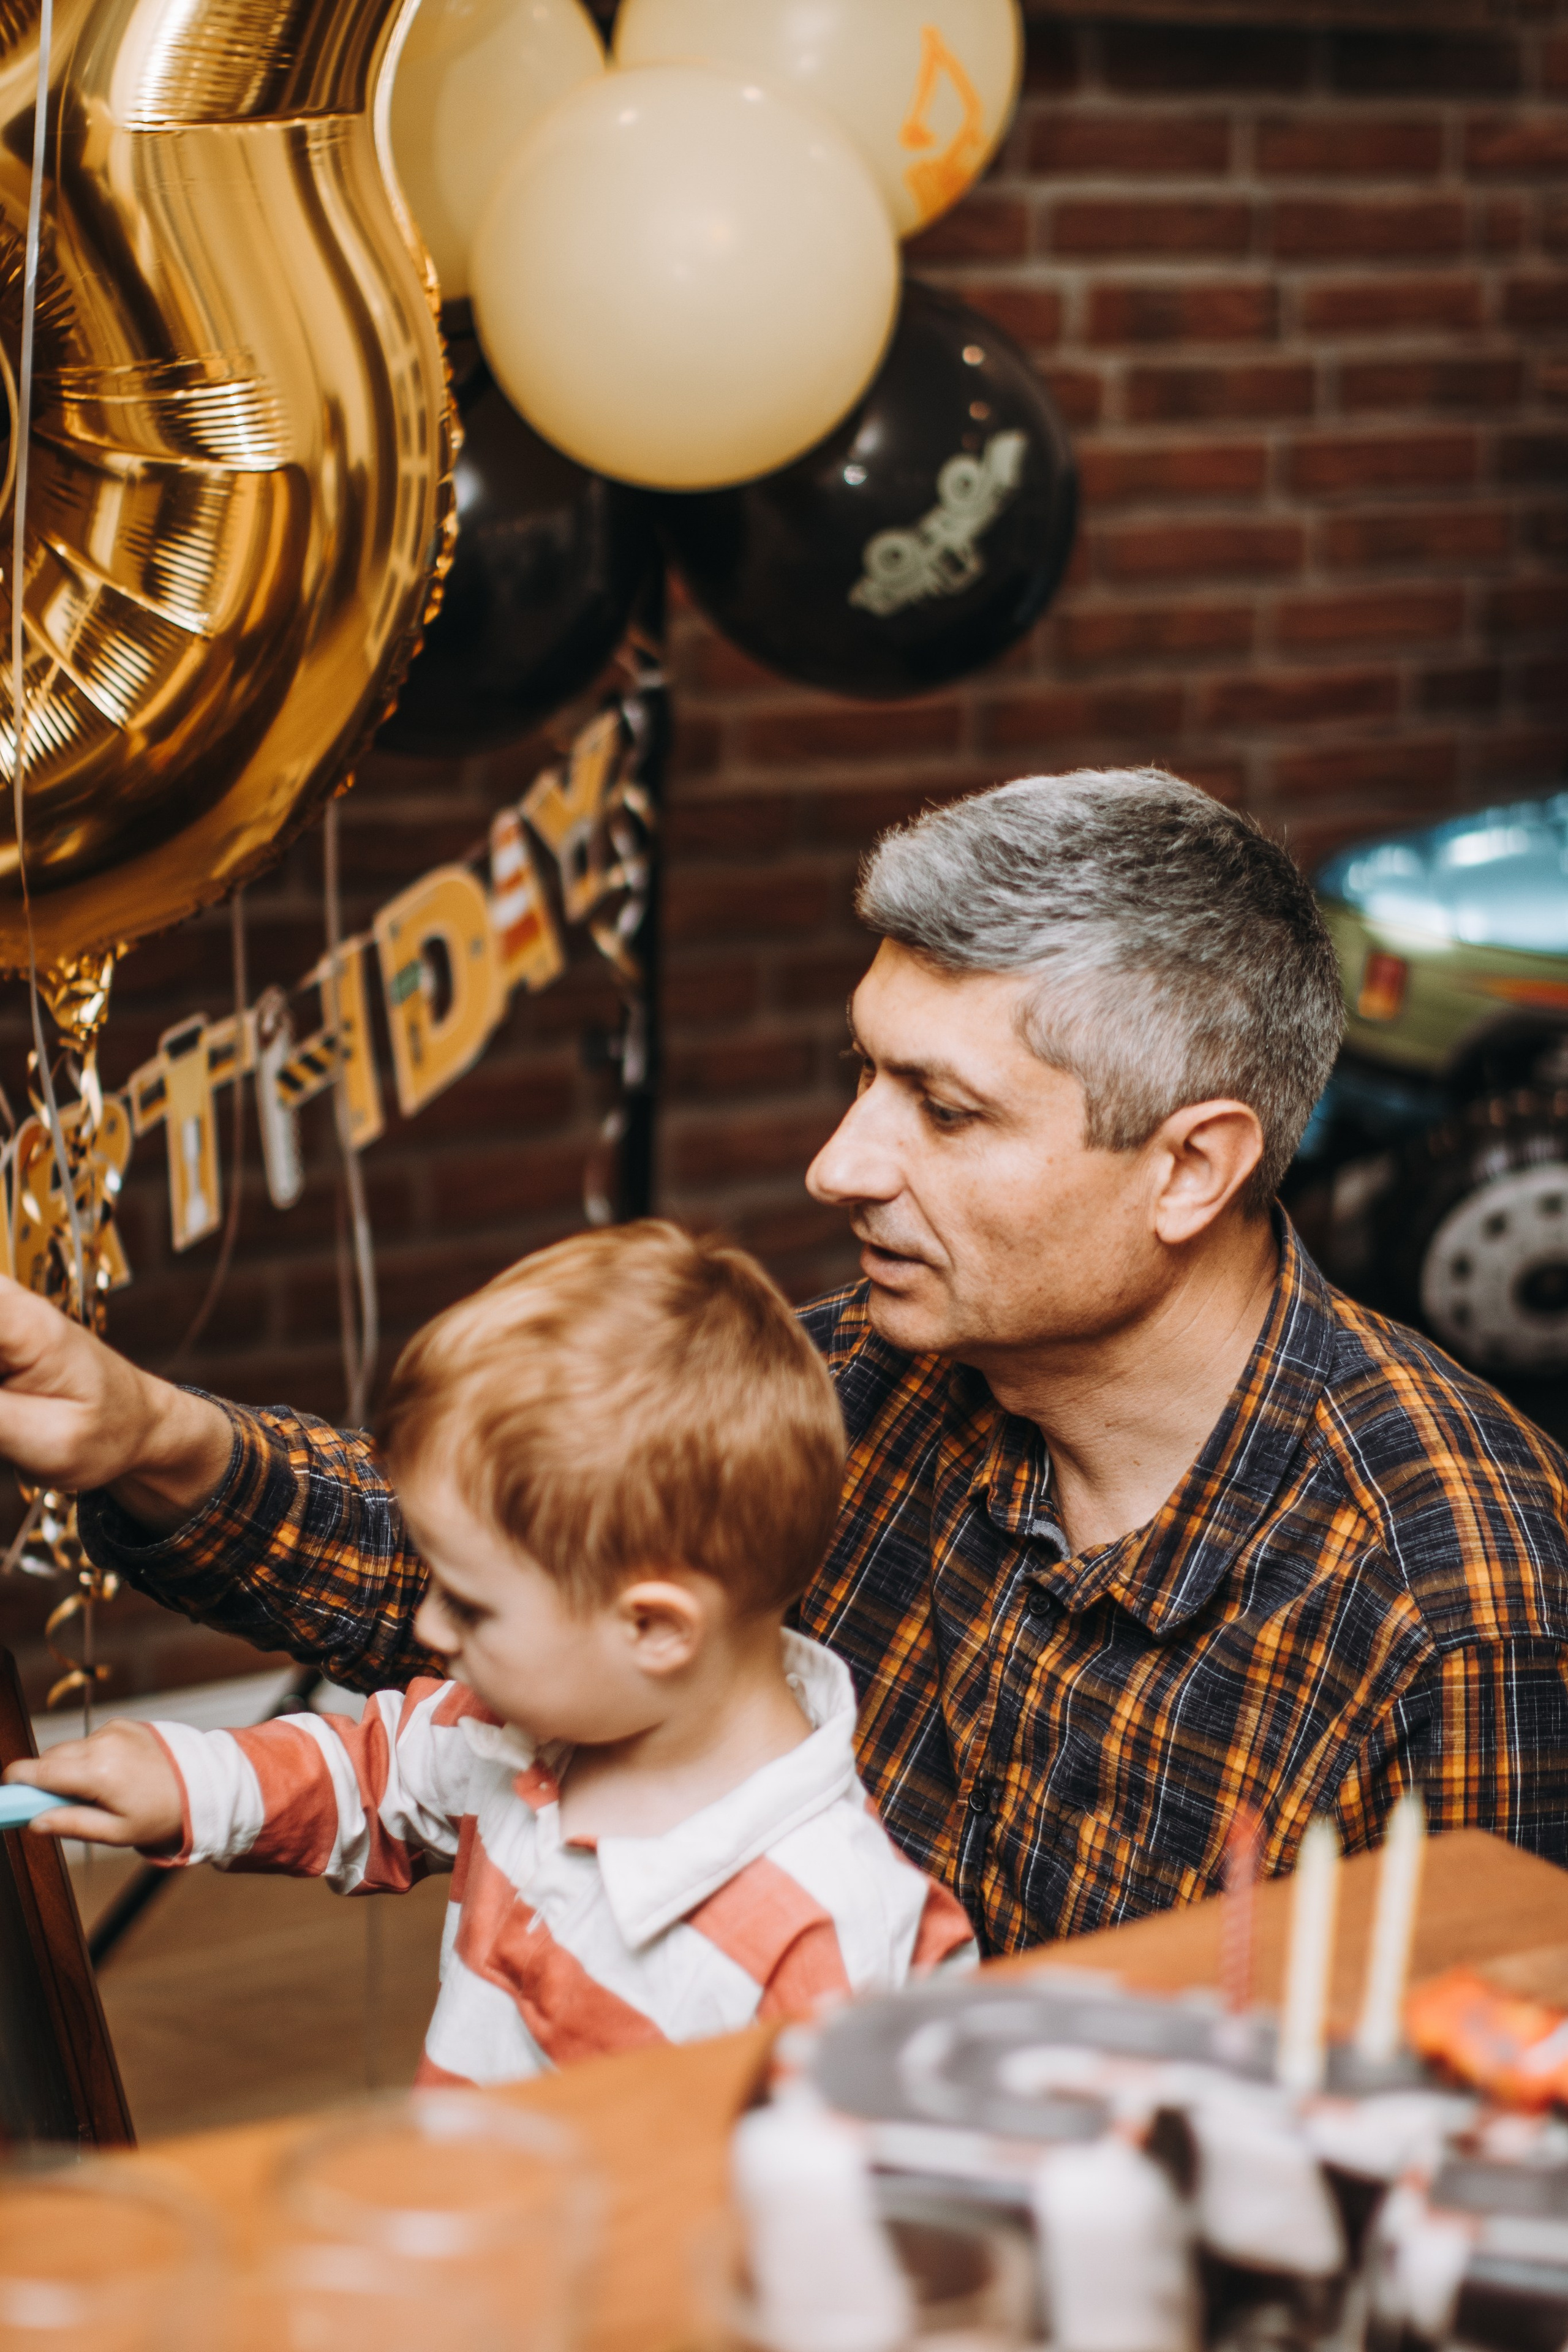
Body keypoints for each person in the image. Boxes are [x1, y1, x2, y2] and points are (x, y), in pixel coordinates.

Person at [0, 767, 1564, 1956]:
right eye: (859, 1075)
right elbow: (502, 1586)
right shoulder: (863, 1383)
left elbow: (1487, 2150)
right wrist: (148, 1433)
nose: (837, 1166)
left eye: (941, 1112)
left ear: (1188, 1168)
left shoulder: (1451, 1594)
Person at [6, 1226, 974, 2078]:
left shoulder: (835, 1936)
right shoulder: (528, 1730)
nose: (430, 1632)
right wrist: (190, 1783)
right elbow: (377, 1774)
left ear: (655, 1628)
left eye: (470, 1605)